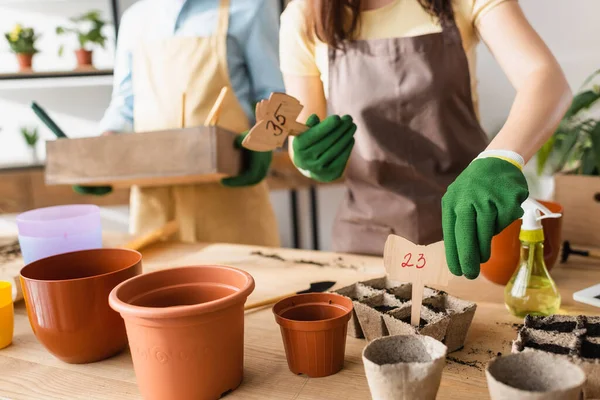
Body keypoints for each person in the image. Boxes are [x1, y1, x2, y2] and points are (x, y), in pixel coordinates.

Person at [280, 0, 572, 278]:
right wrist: (308, 159)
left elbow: (545, 78)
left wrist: (502, 157)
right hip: (367, 243)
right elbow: (303, 129)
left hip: (468, 235)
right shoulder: (306, 15)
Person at [96, 0, 283, 246]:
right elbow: (125, 104)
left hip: (231, 198)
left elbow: (275, 97)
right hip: (154, 203)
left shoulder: (250, 7)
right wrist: (96, 157)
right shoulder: (134, 19)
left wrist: (263, 146)